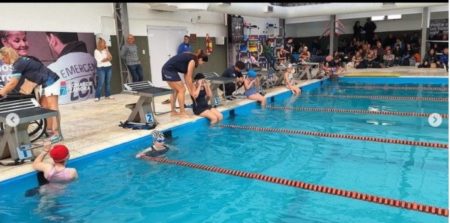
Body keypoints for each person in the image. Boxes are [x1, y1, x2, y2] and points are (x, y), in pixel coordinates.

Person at [0, 47, 62, 140]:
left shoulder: (19, 64)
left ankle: (57, 134)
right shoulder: (20, 61)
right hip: (45, 82)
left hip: (51, 81)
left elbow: (12, 83)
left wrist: (1, 94)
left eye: (3, 59)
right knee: (44, 107)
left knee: (53, 108)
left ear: (7, 55)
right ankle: (49, 130)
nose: (3, 62)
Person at [161, 49, 208, 117]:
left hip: (168, 70)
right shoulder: (193, 61)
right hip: (169, 70)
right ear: (200, 59)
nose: (202, 64)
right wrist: (192, 91)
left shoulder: (191, 58)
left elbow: (186, 77)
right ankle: (182, 112)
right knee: (182, 90)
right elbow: (188, 77)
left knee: (176, 90)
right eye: (203, 62)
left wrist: (191, 91)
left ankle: (173, 112)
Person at [94, 37, 113, 101]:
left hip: (109, 67)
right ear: (100, 44)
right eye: (104, 43)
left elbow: (110, 57)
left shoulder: (105, 50)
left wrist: (107, 50)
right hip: (101, 68)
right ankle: (97, 96)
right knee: (101, 83)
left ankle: (107, 95)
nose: (105, 44)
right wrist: (107, 59)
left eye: (105, 43)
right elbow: (101, 60)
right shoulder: (96, 51)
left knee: (108, 82)